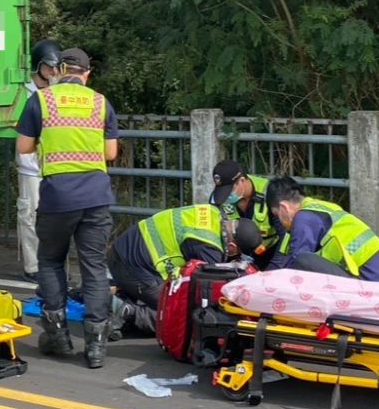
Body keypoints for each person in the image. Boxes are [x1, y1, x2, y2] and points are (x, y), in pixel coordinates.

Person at [15, 48, 118, 369]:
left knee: (50, 260)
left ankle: (57, 336)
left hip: (58, 196)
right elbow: (111, 153)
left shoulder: (42, 100)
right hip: (96, 196)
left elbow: (23, 146)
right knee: (94, 266)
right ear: (87, 74)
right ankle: (96, 346)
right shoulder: (101, 103)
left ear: (60, 70)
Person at [108, 204, 263, 334]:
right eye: (237, 254)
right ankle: (127, 311)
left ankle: (119, 299)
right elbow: (205, 294)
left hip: (123, 251)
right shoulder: (210, 248)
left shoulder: (213, 212)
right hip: (131, 267)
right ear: (232, 246)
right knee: (182, 317)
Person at [264, 177, 379, 283]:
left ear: (284, 207)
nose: (280, 221)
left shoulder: (303, 218)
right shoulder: (321, 208)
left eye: (276, 214)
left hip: (369, 281)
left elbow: (295, 266)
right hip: (378, 277)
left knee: (302, 261)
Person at [14, 39, 64, 280]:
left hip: (57, 164)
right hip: (30, 165)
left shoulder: (60, 93)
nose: (54, 73)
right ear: (38, 66)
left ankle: (55, 266)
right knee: (30, 215)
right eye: (49, 67)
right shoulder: (22, 92)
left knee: (57, 219)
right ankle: (33, 266)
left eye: (57, 68)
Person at [207, 159, 287, 269]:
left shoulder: (269, 193)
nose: (225, 195)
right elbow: (212, 232)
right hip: (234, 254)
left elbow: (286, 237)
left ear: (242, 181)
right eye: (222, 190)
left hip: (270, 253)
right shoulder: (218, 198)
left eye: (229, 190)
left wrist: (273, 269)